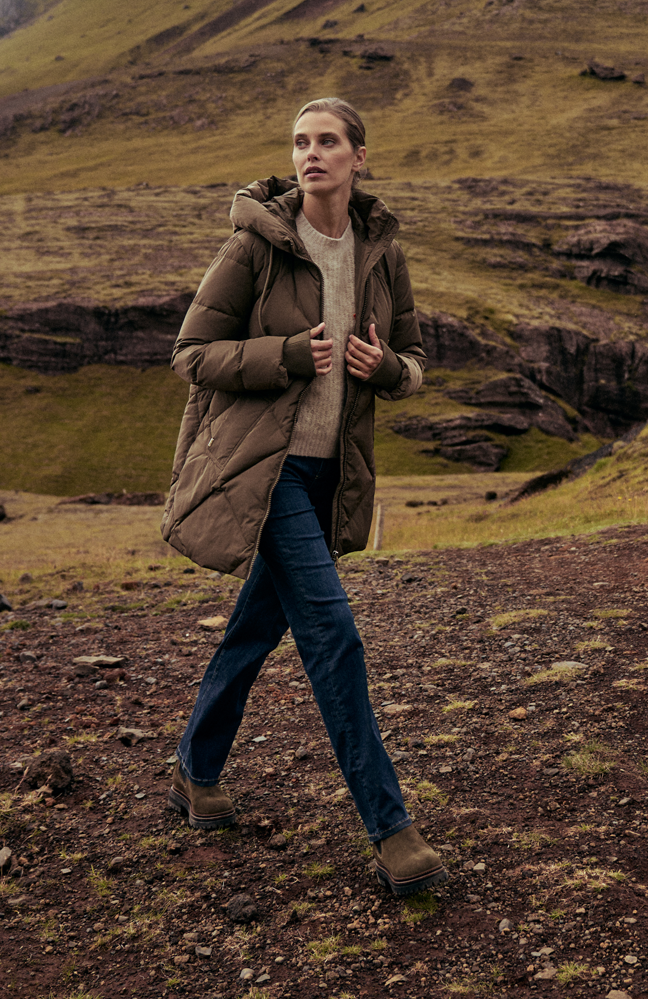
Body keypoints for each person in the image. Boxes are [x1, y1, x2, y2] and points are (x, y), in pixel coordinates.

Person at [159, 96, 445, 896]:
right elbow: (191, 351)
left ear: (359, 156)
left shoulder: (381, 253)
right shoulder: (256, 244)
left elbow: (415, 362)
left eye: (327, 141)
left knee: (256, 628)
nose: (310, 153)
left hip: (332, 474)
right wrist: (284, 353)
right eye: (299, 142)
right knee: (333, 634)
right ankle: (392, 829)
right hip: (268, 471)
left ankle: (194, 770)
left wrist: (385, 368)